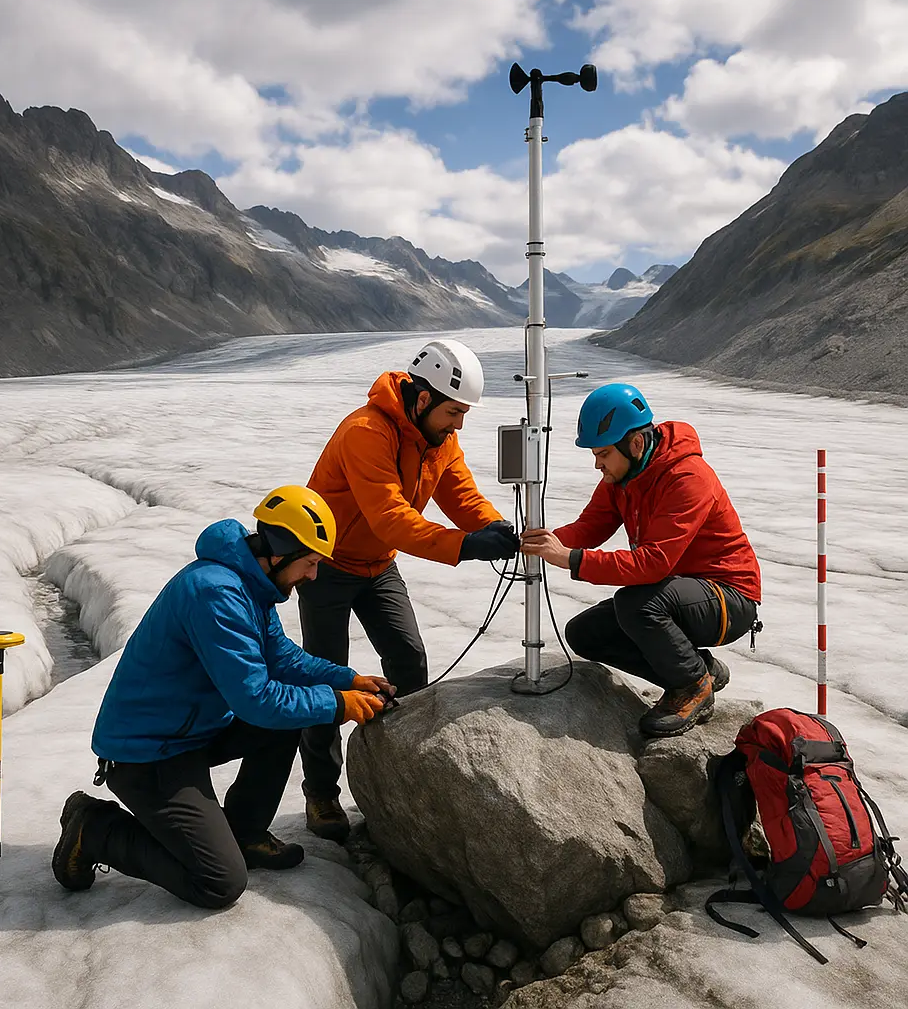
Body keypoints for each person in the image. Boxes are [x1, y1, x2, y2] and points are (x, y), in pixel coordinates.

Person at [51, 485, 395, 908]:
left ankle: (245, 834)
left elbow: (281, 658)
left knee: (289, 719)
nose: (313, 576)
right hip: (148, 752)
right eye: (309, 563)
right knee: (219, 882)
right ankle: (95, 829)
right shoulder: (216, 593)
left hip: (190, 731)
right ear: (280, 553)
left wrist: (348, 679)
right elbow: (256, 699)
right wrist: (338, 704)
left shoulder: (251, 584)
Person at [298, 338, 519, 842]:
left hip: (378, 565)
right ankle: (321, 792)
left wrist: (494, 526)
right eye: (454, 412)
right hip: (325, 566)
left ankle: (403, 768)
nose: (459, 424)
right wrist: (466, 545)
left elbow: (461, 494)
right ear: (423, 399)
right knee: (326, 678)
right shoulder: (365, 432)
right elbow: (391, 517)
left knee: (409, 659)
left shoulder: (438, 438)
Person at [521, 383, 761, 738]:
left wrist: (569, 559)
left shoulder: (687, 477)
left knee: (636, 604)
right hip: (680, 594)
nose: (597, 464)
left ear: (635, 444)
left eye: (603, 453)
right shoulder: (623, 476)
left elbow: (654, 564)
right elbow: (590, 526)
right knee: (585, 634)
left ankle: (692, 686)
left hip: (730, 598)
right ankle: (700, 669)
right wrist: (541, 543)